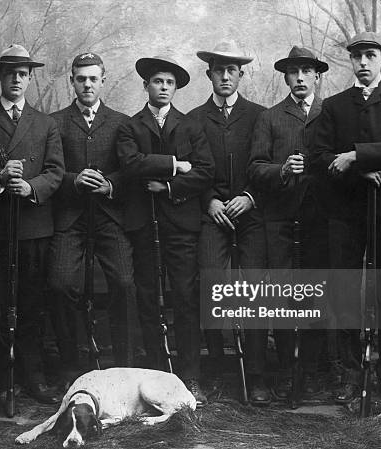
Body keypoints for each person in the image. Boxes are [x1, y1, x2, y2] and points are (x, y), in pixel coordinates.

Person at [311, 31, 381, 403]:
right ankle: (350, 370)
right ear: (351, 62)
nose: (363, 62)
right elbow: (320, 156)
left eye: (370, 55)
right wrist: (358, 171)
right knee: (344, 289)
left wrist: (357, 156)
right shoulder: (335, 106)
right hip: (345, 209)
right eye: (357, 56)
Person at [0, 44, 65, 404]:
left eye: (23, 73)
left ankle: (33, 376)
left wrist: (31, 187)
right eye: (10, 73)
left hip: (34, 229)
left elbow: (56, 172)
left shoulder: (46, 123)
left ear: (30, 78)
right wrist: (1, 178)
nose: (16, 79)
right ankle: (0, 379)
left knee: (32, 305)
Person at [116, 55, 214, 405]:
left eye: (169, 83)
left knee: (186, 299)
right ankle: (157, 375)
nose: (163, 87)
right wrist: (175, 164)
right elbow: (130, 165)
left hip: (181, 224)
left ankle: (189, 377)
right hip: (143, 224)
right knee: (147, 299)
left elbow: (205, 172)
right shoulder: (130, 126)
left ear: (176, 88)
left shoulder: (190, 126)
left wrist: (168, 187)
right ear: (146, 85)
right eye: (157, 81)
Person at [187, 41, 269, 405]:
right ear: (209, 74)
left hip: (251, 213)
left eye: (231, 70)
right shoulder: (193, 119)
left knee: (253, 290)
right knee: (212, 284)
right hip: (213, 214)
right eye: (218, 70)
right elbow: (191, 170)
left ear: (241, 74)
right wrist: (210, 201)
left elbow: (268, 166)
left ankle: (257, 376)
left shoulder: (260, 116)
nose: (224, 76)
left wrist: (250, 196)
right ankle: (218, 372)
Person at [247, 46, 329, 402]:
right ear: (285, 77)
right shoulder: (270, 117)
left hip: (320, 221)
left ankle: (312, 372)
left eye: (306, 72)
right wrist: (280, 170)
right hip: (279, 219)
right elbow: (254, 166)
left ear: (316, 76)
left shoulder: (331, 113)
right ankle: (284, 371)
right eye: (293, 72)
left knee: (314, 293)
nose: (299, 78)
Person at [48, 52, 135, 370]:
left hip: (109, 216)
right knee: (59, 284)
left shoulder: (122, 122)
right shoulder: (54, 122)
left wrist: (110, 185)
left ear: (103, 80)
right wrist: (74, 180)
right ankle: (72, 366)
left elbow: (132, 169)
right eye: (80, 78)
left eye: (93, 78)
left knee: (125, 284)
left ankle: (124, 367)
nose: (87, 84)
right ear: (71, 81)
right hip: (70, 217)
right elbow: (48, 170)